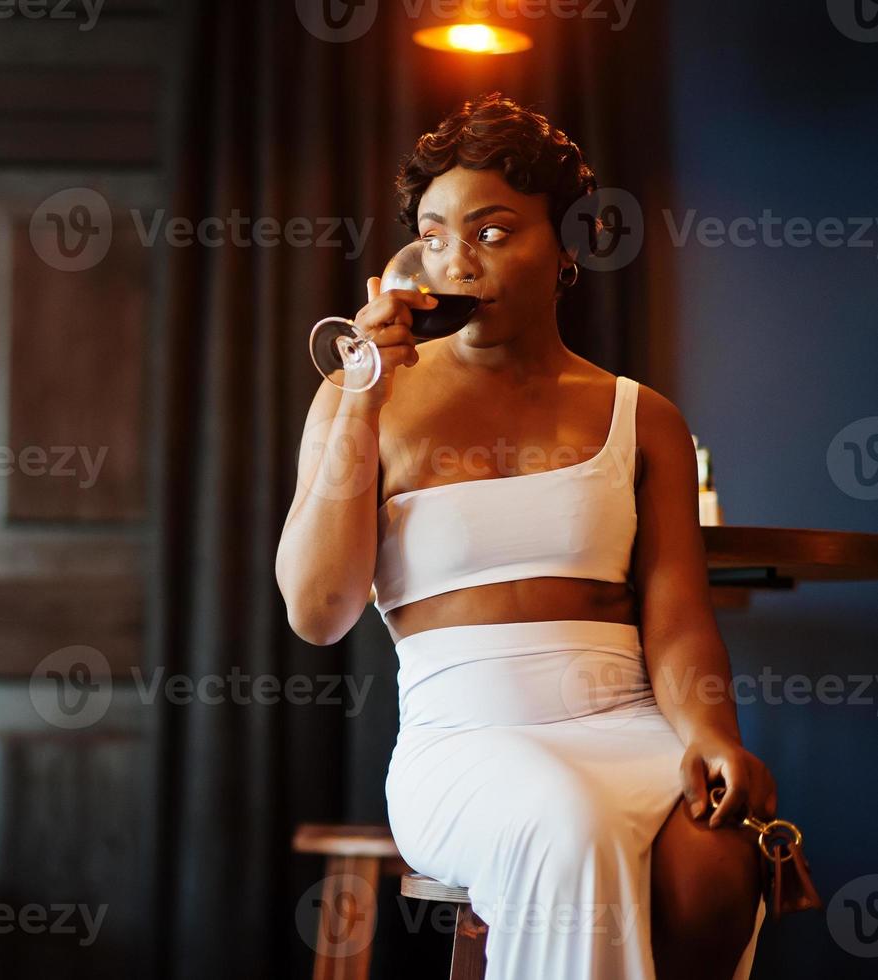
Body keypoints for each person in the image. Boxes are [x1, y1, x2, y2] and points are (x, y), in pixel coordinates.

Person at [275, 92, 773, 979]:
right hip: (463, 742)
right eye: (432, 235)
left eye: (492, 232)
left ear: (566, 244)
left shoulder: (638, 416)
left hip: (628, 726)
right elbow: (317, 613)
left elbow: (678, 621)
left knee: (717, 863)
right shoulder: (360, 400)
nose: (456, 262)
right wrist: (361, 397)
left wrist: (708, 733)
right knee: (565, 820)